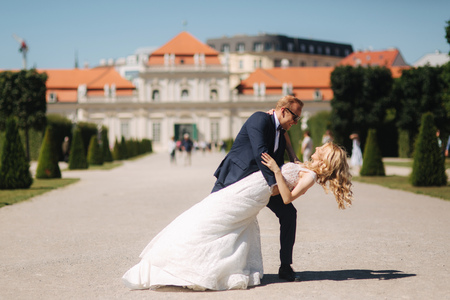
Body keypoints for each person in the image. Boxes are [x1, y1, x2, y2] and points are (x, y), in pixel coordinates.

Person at [122, 143, 353, 291]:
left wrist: (275, 169)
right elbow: (291, 157)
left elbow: (286, 198)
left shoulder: (311, 176)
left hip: (256, 192)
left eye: (321, 148)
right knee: (208, 213)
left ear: (325, 158)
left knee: (213, 220)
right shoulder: (305, 167)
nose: (317, 147)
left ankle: (182, 264)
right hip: (250, 186)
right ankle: (171, 260)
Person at [212, 95, 303, 282]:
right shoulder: (259, 119)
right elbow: (260, 152)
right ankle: (211, 264)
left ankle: (285, 266)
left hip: (262, 182)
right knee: (213, 218)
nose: (296, 122)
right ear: (284, 111)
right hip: (236, 178)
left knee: (289, 214)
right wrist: (274, 185)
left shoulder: (281, 127)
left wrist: (293, 157)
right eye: (295, 118)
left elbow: (283, 137)